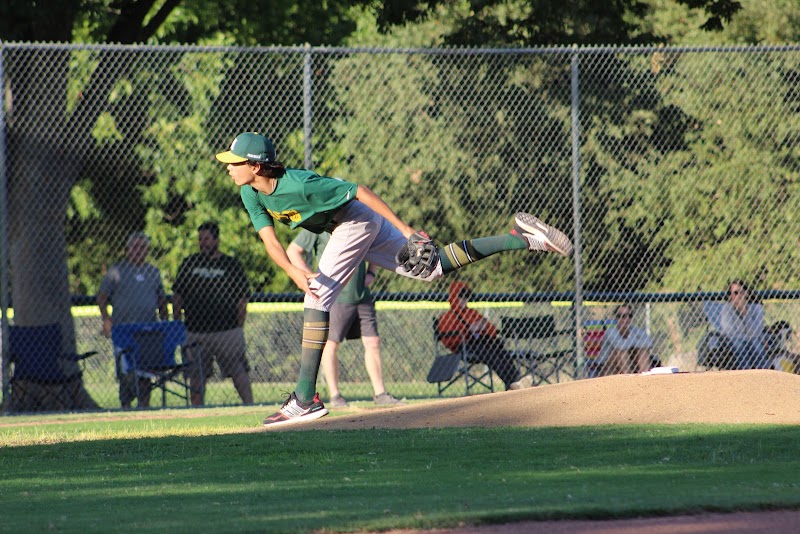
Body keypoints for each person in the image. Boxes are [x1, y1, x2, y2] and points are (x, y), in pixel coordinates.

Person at [215, 131, 572, 428]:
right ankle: (523, 237)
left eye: (235, 162)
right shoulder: (250, 191)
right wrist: (294, 271)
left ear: (257, 166)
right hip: (350, 225)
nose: (230, 169)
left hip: (356, 220)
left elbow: (360, 191)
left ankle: (305, 398)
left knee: (317, 297)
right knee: (431, 269)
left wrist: (404, 229)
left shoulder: (302, 184)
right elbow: (269, 240)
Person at [287, 229, 404, 408]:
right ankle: (335, 396)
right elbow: (293, 250)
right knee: (331, 344)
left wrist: (371, 272)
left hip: (361, 296)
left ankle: (380, 394)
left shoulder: (356, 220)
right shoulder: (318, 221)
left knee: (373, 342)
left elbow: (374, 245)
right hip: (336, 296)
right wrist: (308, 277)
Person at [172, 221, 254, 405]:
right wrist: (177, 324)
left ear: (217, 240)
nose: (203, 243)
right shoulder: (189, 263)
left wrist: (238, 327)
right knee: (196, 374)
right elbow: (177, 296)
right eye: (200, 239)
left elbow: (242, 299)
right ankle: (197, 413)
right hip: (195, 330)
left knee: (238, 369)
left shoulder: (230, 265)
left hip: (227, 330)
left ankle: (251, 406)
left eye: (207, 239)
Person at [97, 231, 169, 409]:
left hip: (148, 333)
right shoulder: (117, 271)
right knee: (126, 374)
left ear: (147, 250)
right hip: (123, 333)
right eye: (134, 246)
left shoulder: (153, 272)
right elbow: (102, 297)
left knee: (145, 373)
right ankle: (126, 409)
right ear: (128, 249)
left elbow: (161, 301)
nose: (138, 250)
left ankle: (144, 409)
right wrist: (106, 319)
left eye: (142, 247)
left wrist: (165, 324)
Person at [437, 281, 532, 390]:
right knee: (491, 354)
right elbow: (448, 337)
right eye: (461, 297)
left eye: (466, 297)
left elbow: (490, 327)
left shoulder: (471, 312)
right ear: (454, 297)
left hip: (483, 342)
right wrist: (468, 330)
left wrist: (483, 327)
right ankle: (511, 382)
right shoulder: (448, 316)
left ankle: (516, 379)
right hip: (465, 346)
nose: (464, 300)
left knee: (500, 350)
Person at [718, 279, 769, 369]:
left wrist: (745, 313)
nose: (738, 296)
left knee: (756, 346)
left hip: (752, 339)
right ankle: (745, 376)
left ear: (746, 293)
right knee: (740, 346)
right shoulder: (727, 309)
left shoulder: (756, 308)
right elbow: (729, 331)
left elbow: (756, 331)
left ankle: (762, 376)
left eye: (740, 292)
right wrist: (746, 335)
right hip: (735, 340)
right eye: (735, 293)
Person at [597, 303, 657, 375]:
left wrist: (634, 344)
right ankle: (628, 380)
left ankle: (645, 378)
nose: (626, 319)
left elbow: (649, 343)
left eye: (629, 315)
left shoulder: (634, 330)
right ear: (616, 318)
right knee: (621, 352)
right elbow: (621, 346)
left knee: (642, 351)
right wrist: (636, 341)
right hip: (607, 367)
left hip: (630, 363)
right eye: (622, 316)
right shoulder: (610, 332)